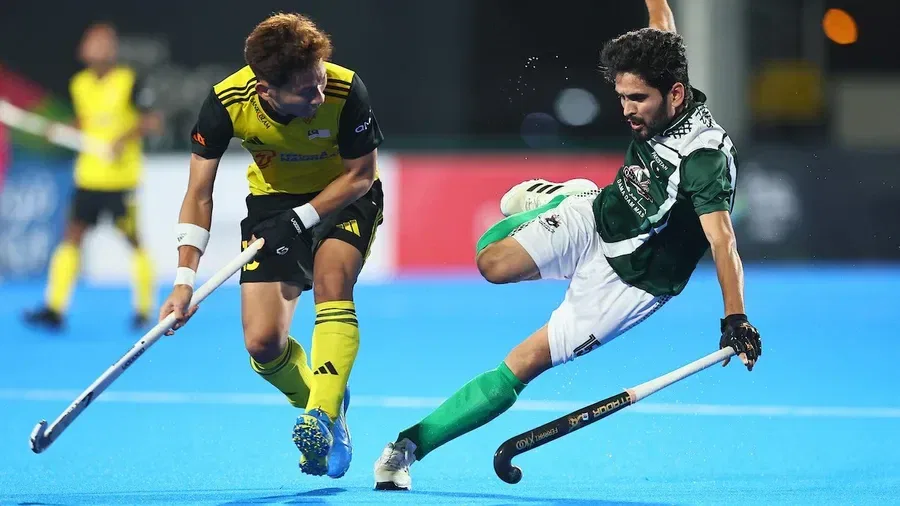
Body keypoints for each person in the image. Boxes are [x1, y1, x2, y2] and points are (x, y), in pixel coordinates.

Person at [373, 0, 761, 491]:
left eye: (637, 99)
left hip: (630, 285)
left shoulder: (704, 159)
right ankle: (568, 197)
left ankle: (407, 446)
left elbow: (722, 240)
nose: (626, 110)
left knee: (524, 363)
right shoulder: (663, 77)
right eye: (621, 97)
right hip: (597, 218)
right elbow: (662, 23)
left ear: (676, 93)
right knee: (491, 264)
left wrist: (735, 318)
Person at [158, 13, 384, 480]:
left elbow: (361, 175)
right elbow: (198, 194)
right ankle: (328, 402)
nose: (318, 95)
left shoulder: (345, 89)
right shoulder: (227, 103)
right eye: (306, 92)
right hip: (273, 202)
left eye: (319, 81)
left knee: (332, 280)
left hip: (345, 194)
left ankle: (320, 416)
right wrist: (184, 281)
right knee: (262, 344)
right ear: (266, 91)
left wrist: (302, 218)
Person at [24, 22, 162, 331]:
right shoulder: (80, 84)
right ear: (82, 50)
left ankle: (144, 308)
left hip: (121, 179)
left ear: (113, 49)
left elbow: (152, 121)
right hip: (88, 177)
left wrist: (122, 140)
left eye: (104, 42)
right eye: (93, 42)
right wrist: (61, 130)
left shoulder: (129, 80)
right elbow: (85, 121)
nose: (98, 48)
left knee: (133, 240)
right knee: (72, 236)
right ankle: (55, 308)